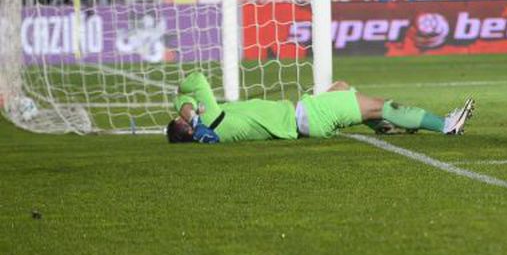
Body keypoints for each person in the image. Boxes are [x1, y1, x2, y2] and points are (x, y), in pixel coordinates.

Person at [166, 71, 474, 143]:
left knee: (341, 87)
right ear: (185, 125)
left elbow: (186, 101)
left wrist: (191, 113)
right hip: (310, 115)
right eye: (180, 118)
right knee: (385, 106)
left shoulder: (216, 131)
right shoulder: (212, 119)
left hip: (304, 119)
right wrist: (191, 112)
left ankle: (384, 128)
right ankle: (446, 125)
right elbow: (194, 80)